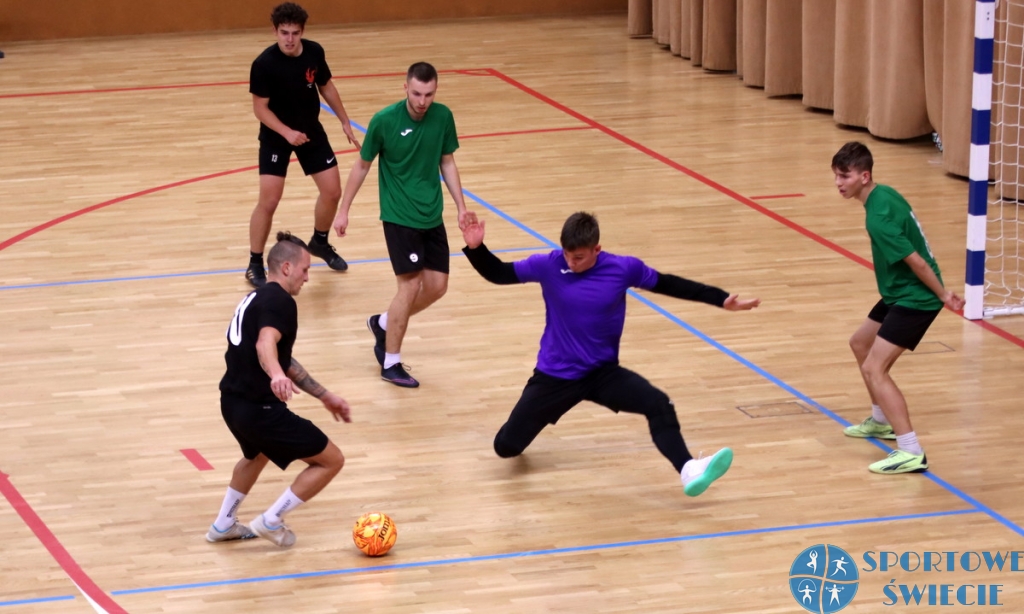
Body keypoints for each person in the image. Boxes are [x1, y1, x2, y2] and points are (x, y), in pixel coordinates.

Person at [460, 212, 760, 496]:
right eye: (567, 254)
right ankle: (516, 437)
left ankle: (689, 469)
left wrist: (721, 299)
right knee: (506, 447)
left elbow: (668, 283)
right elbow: (499, 273)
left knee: (658, 403)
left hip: (602, 374)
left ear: (596, 249)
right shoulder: (548, 265)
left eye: (578, 257)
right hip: (555, 376)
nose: (571, 262)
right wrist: (476, 248)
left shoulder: (622, 269)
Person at [332, 61, 476, 388]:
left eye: (429, 94)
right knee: (409, 286)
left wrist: (460, 207)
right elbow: (362, 167)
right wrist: (344, 210)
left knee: (437, 287)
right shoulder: (384, 122)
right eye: (416, 93)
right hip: (399, 217)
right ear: (405, 88)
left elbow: (447, 161)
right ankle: (391, 362)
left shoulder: (443, 117)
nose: (423, 101)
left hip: (431, 214)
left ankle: (383, 323)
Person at [208, 232, 352, 547]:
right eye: (305, 270)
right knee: (331, 460)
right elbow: (265, 344)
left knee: (256, 455)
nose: (307, 278)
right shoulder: (280, 301)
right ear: (286, 268)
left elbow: (284, 359)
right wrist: (274, 375)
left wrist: (324, 395)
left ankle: (223, 524)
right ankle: (272, 520)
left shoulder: (257, 298)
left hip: (232, 403)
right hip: (259, 409)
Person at [831, 141, 964, 474]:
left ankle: (910, 450)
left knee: (875, 369)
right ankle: (880, 421)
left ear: (864, 175)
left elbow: (917, 262)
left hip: (915, 298)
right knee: (860, 343)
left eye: (844, 176)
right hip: (898, 292)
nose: (839, 183)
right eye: (836, 176)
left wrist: (943, 295)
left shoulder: (878, 219)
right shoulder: (884, 194)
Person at [245, 2, 361, 288]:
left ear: (302, 32)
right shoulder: (263, 64)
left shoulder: (314, 52)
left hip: (310, 131)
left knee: (332, 192)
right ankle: (254, 262)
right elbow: (260, 109)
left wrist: (345, 120)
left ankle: (319, 242)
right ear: (274, 31)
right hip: (276, 136)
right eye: (284, 32)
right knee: (269, 201)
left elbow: (327, 86)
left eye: (295, 33)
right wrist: (286, 133)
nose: (289, 39)